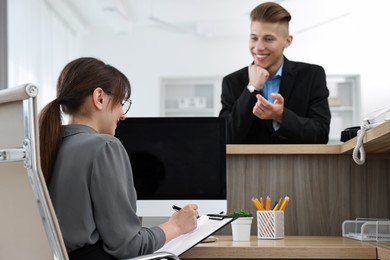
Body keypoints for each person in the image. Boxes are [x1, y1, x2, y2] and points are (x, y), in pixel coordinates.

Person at [39, 57, 198, 260]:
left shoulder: (46, 145)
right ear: (99, 97)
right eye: (121, 103)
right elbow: (129, 245)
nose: (123, 115)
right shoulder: (104, 146)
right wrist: (176, 225)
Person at [219, 2, 331, 144]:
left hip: (299, 165)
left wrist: (281, 115)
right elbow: (225, 137)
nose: (258, 47)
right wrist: (251, 88)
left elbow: (321, 135)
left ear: (287, 41)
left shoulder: (312, 75)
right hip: (248, 166)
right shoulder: (232, 82)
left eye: (268, 39)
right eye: (254, 38)